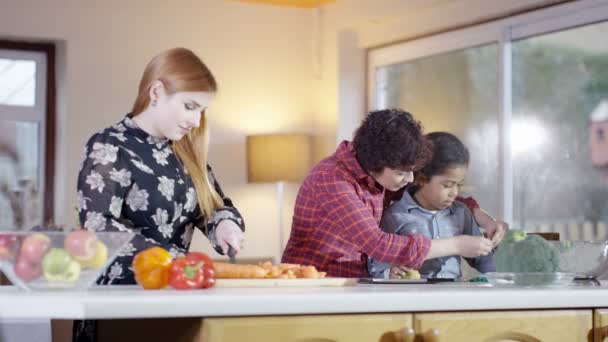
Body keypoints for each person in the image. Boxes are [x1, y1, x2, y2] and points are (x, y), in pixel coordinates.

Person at [74, 47, 245, 341]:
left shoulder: (187, 153)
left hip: (177, 297)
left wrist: (225, 224)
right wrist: (175, 260)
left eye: (202, 110)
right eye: (190, 106)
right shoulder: (110, 147)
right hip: (121, 302)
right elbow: (99, 227)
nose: (196, 120)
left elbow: (214, 207)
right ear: (156, 92)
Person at [282, 109, 506, 277]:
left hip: (355, 285)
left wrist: (482, 217)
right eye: (402, 173)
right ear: (376, 163)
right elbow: (379, 244)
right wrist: (457, 245)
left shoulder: (383, 176)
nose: (409, 179)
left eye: (412, 172)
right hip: (316, 285)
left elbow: (429, 191)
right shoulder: (331, 180)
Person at [368, 132, 495, 279]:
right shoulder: (395, 215)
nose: (454, 192)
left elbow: (483, 260)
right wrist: (389, 273)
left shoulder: (461, 213)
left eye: (458, 184)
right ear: (422, 178)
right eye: (447, 185)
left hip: (454, 295)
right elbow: (375, 263)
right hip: (412, 296)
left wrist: (493, 277)